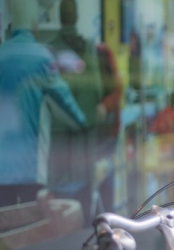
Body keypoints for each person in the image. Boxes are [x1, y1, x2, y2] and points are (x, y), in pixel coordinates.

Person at [0, 0, 86, 208]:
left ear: (12, 28)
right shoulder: (41, 57)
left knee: (4, 224)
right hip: (30, 164)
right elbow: (64, 98)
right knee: (32, 228)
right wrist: (83, 122)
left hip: (0, 164)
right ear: (35, 27)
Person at [48, 0, 122, 221]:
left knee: (67, 194)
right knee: (85, 190)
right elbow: (101, 88)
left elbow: (112, 89)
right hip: (87, 131)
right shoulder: (89, 49)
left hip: (71, 134)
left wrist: (103, 107)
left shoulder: (55, 48)